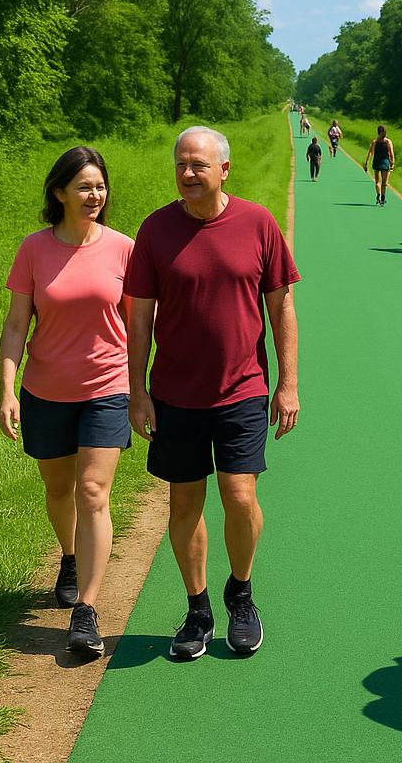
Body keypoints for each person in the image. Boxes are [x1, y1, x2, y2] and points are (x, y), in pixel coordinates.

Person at [125, 126, 301, 660]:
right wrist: (137, 390)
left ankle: (240, 595)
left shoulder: (257, 223)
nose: (188, 173)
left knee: (240, 497)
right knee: (184, 501)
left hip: (242, 387)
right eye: (181, 164)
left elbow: (281, 309)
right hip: (175, 393)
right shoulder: (155, 230)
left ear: (224, 169)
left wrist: (288, 384)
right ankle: (198, 608)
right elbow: (139, 319)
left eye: (198, 164)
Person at [0, 147, 135, 658]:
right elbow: (17, 325)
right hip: (45, 391)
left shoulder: (123, 249)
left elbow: (139, 325)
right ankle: (70, 556)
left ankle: (87, 610)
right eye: (84, 187)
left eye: (100, 186)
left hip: (107, 387)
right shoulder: (34, 249)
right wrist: (7, 390)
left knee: (92, 491)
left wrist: (143, 388)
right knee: (59, 489)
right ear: (60, 192)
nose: (95, 195)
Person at [363, 125, 395, 206]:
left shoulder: (375, 142)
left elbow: (370, 153)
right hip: (385, 162)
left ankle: (378, 194)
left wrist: (366, 163)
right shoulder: (388, 142)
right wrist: (392, 163)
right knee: (384, 182)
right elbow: (391, 153)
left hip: (376, 161)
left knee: (377, 182)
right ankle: (383, 198)